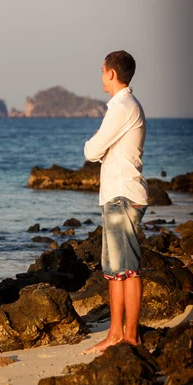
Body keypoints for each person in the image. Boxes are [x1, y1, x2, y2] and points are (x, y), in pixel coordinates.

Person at [83, 50, 148, 354]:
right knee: (113, 269)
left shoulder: (121, 107)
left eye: (101, 70)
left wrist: (94, 141)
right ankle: (114, 333)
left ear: (111, 73)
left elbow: (92, 150)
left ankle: (130, 335)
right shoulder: (123, 106)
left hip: (124, 196)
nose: (100, 76)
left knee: (128, 269)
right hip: (115, 196)